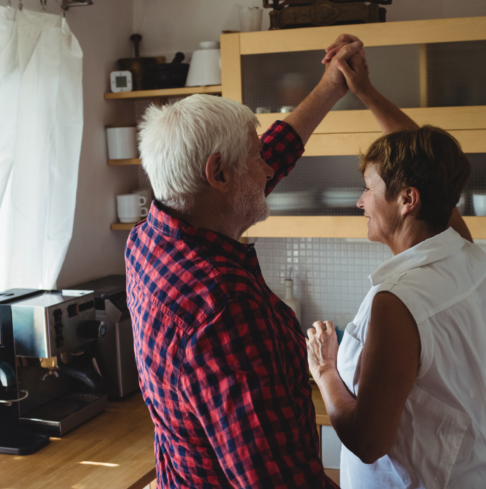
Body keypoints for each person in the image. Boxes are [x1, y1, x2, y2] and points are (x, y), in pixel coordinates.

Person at [125, 39, 366, 487]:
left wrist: (332, 86)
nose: (267, 171)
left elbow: (273, 153)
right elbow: (276, 480)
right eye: (255, 159)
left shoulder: (148, 239)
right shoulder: (225, 306)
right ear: (217, 174)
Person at [306, 36, 486, 489]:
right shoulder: (460, 250)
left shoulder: (398, 300)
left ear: (407, 200)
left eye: (369, 188)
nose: (360, 201)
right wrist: (365, 90)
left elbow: (368, 440)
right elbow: (428, 166)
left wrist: (325, 372)